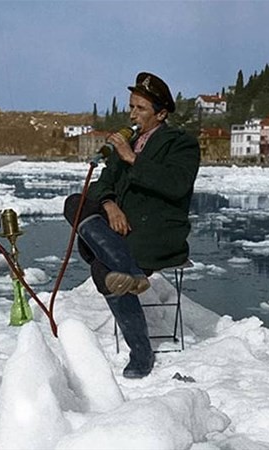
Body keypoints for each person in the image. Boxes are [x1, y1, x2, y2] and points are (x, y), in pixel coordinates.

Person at [64, 72, 200, 379]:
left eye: (140, 109)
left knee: (103, 270)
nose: (132, 115)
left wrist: (133, 159)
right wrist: (110, 204)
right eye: (131, 107)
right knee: (75, 201)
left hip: (157, 235)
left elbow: (176, 185)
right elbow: (101, 186)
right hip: (121, 232)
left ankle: (141, 353)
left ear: (161, 113)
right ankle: (132, 274)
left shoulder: (181, 144)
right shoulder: (128, 143)